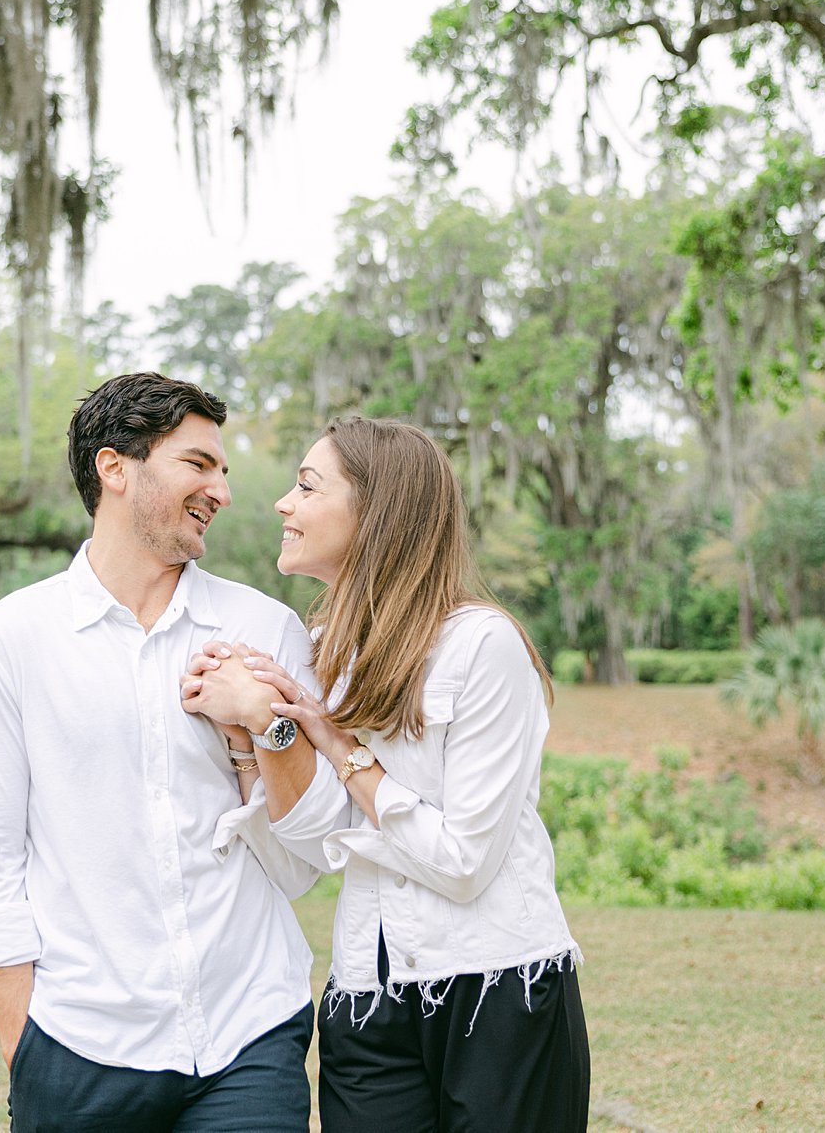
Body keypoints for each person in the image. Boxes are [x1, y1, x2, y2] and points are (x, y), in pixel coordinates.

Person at [0, 372, 338, 1133]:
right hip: (77, 1045)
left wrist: (265, 733)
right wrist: (22, 1042)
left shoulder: (267, 631)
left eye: (223, 469)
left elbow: (302, 862)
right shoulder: (5, 643)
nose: (221, 489)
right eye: (198, 464)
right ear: (114, 469)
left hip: (249, 1035)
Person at [181, 415, 590, 1132]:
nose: (283, 503)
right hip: (365, 994)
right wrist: (259, 730)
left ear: (377, 510)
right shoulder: (321, 653)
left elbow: (463, 861)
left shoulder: (480, 647)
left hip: (498, 988)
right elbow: (309, 847)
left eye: (307, 487)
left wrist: (339, 749)